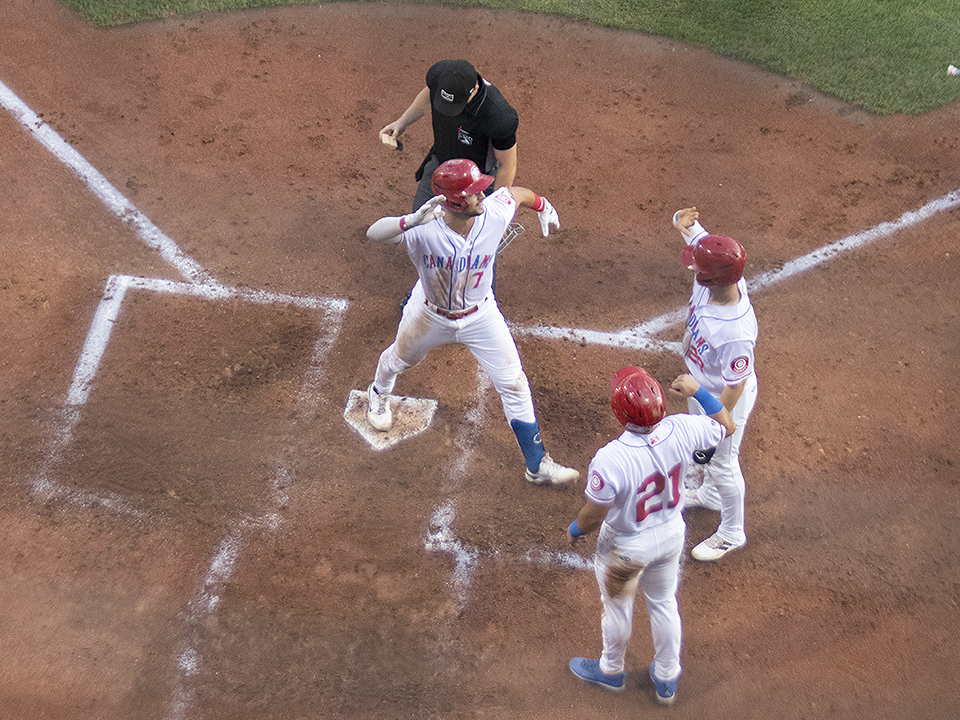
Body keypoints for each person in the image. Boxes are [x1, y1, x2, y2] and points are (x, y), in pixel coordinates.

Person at [362, 158, 578, 487]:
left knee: (514, 382)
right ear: (456, 202)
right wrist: (409, 221)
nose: (482, 195)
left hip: (481, 315)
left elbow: (516, 194)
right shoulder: (424, 230)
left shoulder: (493, 212)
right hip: (429, 314)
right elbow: (373, 233)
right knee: (400, 359)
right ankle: (378, 392)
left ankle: (537, 464)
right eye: (475, 192)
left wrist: (543, 205)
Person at [567, 367, 735, 704]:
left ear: (620, 412)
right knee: (663, 603)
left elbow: (594, 514)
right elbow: (727, 425)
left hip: (626, 547)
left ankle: (611, 671)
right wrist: (699, 391)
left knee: (617, 609)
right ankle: (667, 677)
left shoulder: (610, 458)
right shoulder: (683, 428)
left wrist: (575, 529)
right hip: (670, 534)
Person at [672, 206, 759, 562]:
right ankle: (708, 496)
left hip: (723, 398)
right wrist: (683, 224)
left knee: (722, 462)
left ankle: (732, 532)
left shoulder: (736, 332)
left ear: (711, 279)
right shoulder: (720, 276)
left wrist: (716, 420)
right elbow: (702, 241)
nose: (691, 268)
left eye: (697, 268)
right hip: (701, 386)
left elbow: (735, 385)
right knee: (707, 458)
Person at [379, 59, 519, 212]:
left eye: (456, 105)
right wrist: (402, 122)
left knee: (466, 227)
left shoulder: (498, 116)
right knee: (419, 221)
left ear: (475, 90)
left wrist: (496, 207)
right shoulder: (439, 75)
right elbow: (429, 95)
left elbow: (507, 165)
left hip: (475, 183)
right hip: (440, 168)